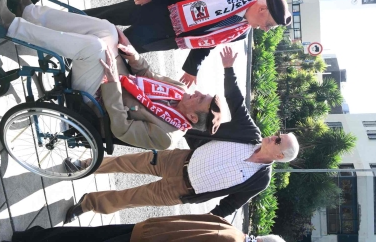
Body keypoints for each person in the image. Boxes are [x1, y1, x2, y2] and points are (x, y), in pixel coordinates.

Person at [62, 46, 299, 223]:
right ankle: (84, 165)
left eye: (278, 140)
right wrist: (228, 69)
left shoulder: (260, 179)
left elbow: (232, 203)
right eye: (278, 134)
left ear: (279, 156)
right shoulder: (250, 134)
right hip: (178, 160)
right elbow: (236, 102)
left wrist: (205, 223)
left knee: (130, 198)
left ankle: (88, 204)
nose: (273, 136)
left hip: (181, 191)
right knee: (125, 162)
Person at [0, 0, 222, 151]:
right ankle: (29, 12)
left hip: (97, 101)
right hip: (116, 76)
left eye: (201, 99)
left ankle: (10, 27)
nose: (197, 92)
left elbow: (121, 128)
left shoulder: (167, 137)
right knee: (108, 30)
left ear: (193, 118)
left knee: (94, 48)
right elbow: (148, 75)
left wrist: (112, 82)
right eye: (203, 94)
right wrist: (133, 55)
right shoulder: (180, 91)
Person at [85, 0, 292, 87]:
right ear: (262, 9)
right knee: (99, 18)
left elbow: (209, 42)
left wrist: (193, 68)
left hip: (162, 38)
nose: (265, 30)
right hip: (154, 8)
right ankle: (65, 20)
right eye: (268, 25)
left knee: (113, 53)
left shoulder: (241, 32)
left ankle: (76, 57)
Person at [7, 213, 286, 242]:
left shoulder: (231, 227)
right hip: (146, 240)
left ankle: (29, 237)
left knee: (86, 234)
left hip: (147, 228)